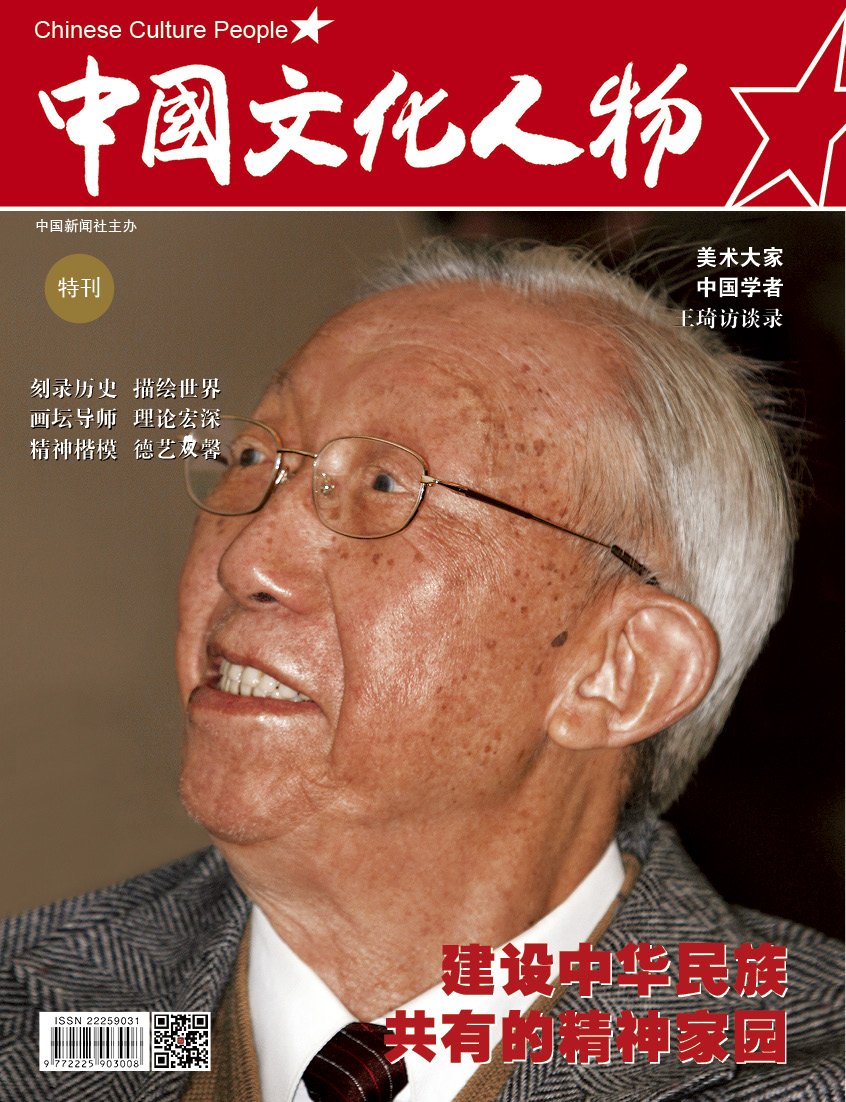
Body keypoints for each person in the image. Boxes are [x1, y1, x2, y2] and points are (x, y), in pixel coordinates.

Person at [2, 239, 842, 1101]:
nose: (246, 557)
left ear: (621, 672)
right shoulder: (33, 1012)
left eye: (383, 484)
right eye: (253, 459)